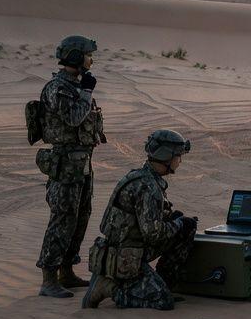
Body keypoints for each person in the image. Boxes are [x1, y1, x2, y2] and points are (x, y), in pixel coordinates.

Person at [82, 129, 197, 309]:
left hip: (131, 247)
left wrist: (175, 222)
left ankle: (161, 282)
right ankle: (108, 288)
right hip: (125, 256)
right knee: (162, 302)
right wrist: (178, 224)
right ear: (167, 157)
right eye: (178, 156)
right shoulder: (149, 188)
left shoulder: (142, 177)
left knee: (185, 228)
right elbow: (153, 234)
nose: (180, 161)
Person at [35, 35, 106, 298]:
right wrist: (87, 92)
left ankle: (66, 271)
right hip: (65, 164)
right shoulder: (57, 88)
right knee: (62, 218)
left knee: (81, 215)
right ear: (76, 57)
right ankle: (49, 278)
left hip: (82, 162)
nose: (91, 59)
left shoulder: (76, 86)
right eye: (88, 55)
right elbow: (75, 118)